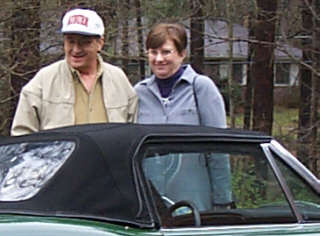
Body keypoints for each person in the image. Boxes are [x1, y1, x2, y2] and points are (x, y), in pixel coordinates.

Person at [135, 22, 232, 210]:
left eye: (166, 52)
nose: (159, 59)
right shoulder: (139, 92)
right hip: (151, 200)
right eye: (153, 52)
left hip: (194, 198)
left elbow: (219, 147)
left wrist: (223, 199)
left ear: (181, 53)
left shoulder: (201, 88)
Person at [11, 8, 138, 136]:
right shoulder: (43, 81)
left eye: (84, 43)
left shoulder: (119, 80)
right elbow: (22, 137)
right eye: (70, 41)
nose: (76, 50)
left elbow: (134, 132)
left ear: (100, 43)